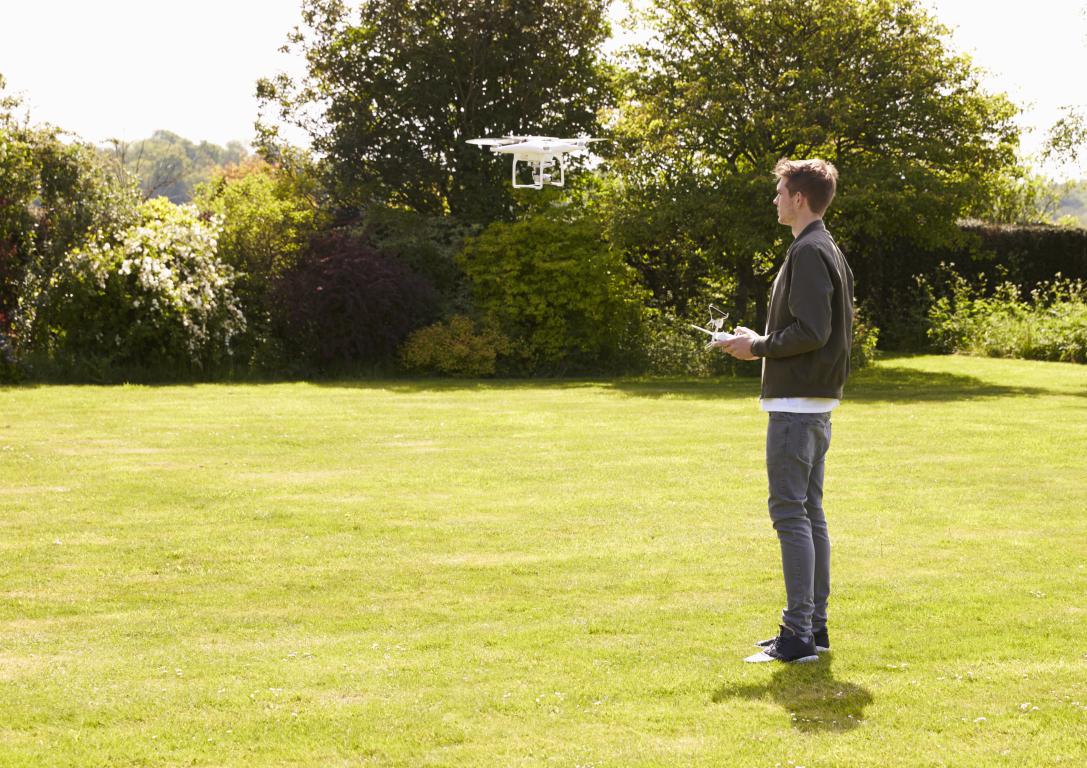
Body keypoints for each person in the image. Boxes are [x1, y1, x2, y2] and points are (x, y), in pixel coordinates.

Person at [714, 158, 854, 663]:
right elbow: (811, 328)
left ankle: (798, 636)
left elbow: (812, 331)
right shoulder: (824, 248)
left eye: (779, 192)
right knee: (808, 514)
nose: (774, 199)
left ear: (799, 198)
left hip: (798, 407)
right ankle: (813, 629)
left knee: (791, 516)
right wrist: (759, 339)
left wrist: (757, 348)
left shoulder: (810, 251)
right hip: (812, 403)